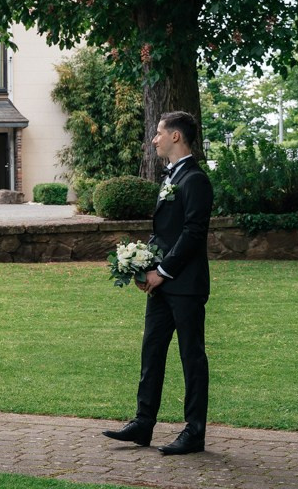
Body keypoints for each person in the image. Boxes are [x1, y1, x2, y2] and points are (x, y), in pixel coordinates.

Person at [103, 111, 212, 455]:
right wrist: (144, 267)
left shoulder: (195, 180)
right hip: (162, 285)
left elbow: (193, 233)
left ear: (175, 136)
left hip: (186, 285)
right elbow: (164, 232)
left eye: (159, 133)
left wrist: (162, 271)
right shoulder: (171, 177)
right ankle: (143, 423)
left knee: (191, 357)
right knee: (151, 352)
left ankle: (194, 432)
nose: (154, 139)